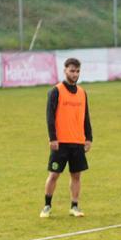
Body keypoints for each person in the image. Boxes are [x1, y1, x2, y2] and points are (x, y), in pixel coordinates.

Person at [41, 58, 92, 218]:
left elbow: (86, 117)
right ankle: (47, 206)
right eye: (72, 71)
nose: (75, 74)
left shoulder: (82, 93)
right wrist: (52, 138)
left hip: (77, 141)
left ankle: (74, 206)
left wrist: (88, 138)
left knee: (76, 175)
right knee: (54, 174)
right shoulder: (55, 91)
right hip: (60, 142)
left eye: (77, 71)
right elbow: (50, 116)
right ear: (65, 70)